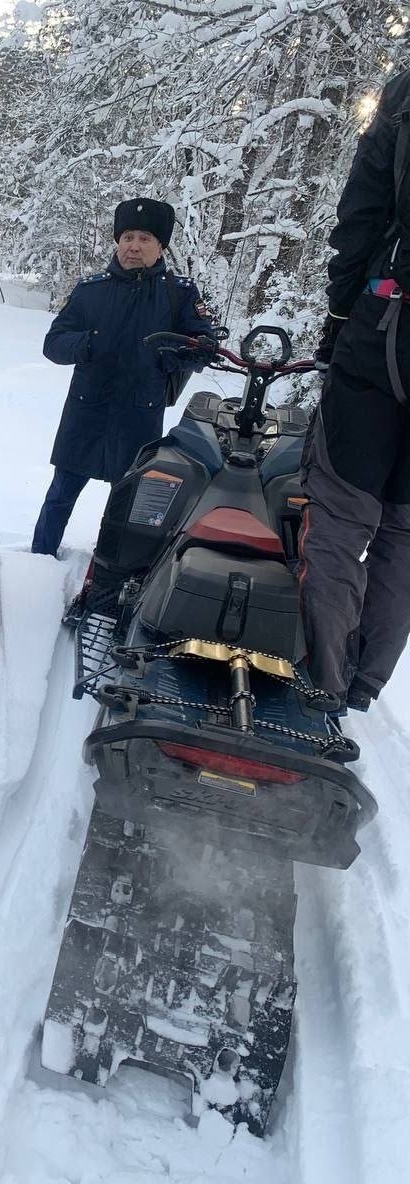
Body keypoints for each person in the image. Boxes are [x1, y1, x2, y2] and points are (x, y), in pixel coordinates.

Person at [299, 71, 410, 714]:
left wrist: (341, 315)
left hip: (383, 334)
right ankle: (364, 682)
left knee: (340, 517)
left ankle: (323, 678)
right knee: (404, 532)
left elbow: (362, 211)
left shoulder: (403, 97)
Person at [31, 198, 214, 557]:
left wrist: (172, 353)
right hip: (86, 411)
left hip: (139, 417)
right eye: (127, 236)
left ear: (161, 246)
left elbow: (202, 348)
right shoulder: (91, 291)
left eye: (145, 238)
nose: (133, 246)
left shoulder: (180, 294)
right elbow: (53, 344)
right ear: (117, 241)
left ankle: (109, 574)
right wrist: (89, 343)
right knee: (59, 496)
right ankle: (38, 564)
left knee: (130, 508)